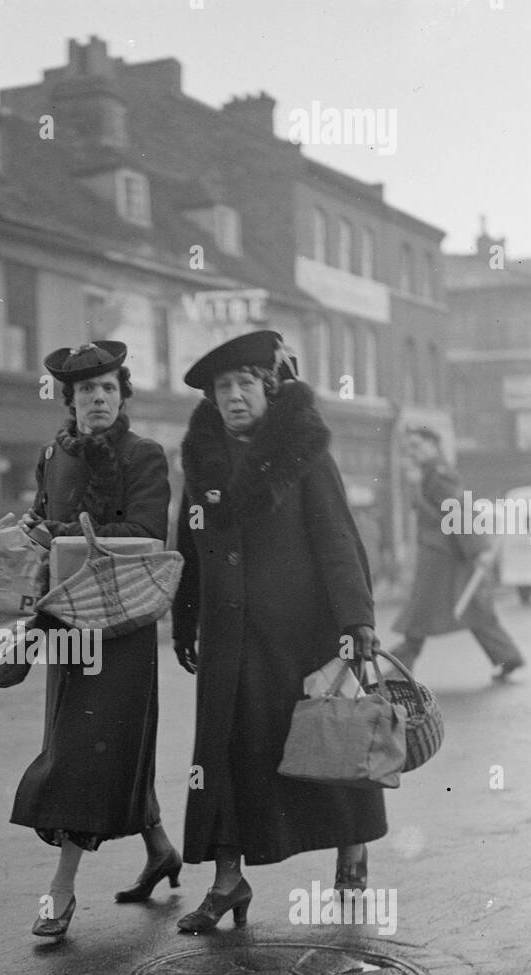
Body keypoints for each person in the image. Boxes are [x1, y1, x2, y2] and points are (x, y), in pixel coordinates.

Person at [172, 329, 386, 933]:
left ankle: (351, 851)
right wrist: (183, 619)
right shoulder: (201, 463)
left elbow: (337, 539)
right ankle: (226, 881)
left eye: (245, 383)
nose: (234, 396)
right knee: (225, 756)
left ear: (268, 387)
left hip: (302, 636)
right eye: (223, 387)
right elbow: (185, 545)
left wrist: (357, 620)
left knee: (327, 744)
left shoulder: (305, 453)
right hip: (228, 636)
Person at [11, 340, 180, 940]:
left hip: (121, 625)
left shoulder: (146, 456)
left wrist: (56, 534)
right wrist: (31, 533)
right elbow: (41, 520)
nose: (99, 399)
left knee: (83, 753)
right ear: (71, 399)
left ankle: (60, 891)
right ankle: (160, 848)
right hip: (66, 625)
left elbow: (144, 534)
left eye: (109, 388)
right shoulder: (54, 454)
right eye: (87, 391)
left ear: (122, 394)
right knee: (86, 741)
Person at [391, 426, 524, 681]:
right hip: (446, 556)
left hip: (444, 558)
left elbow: (458, 513)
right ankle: (508, 656)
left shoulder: (439, 475)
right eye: (410, 448)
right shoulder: (430, 474)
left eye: (418, 446)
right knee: (473, 608)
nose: (414, 452)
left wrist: (478, 552)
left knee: (422, 615)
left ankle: (397, 670)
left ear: (434, 445)